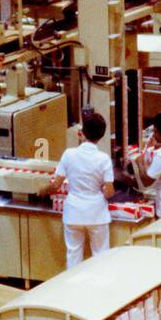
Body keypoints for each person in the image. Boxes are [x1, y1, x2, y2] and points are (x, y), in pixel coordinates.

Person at [48, 111, 116, 268]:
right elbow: (109, 192)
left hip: (74, 212)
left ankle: (73, 290)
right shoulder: (104, 159)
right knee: (101, 257)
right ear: (102, 135)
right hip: (97, 214)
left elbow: (56, 184)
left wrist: (42, 190)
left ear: (82, 133)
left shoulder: (69, 154)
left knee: (73, 255)